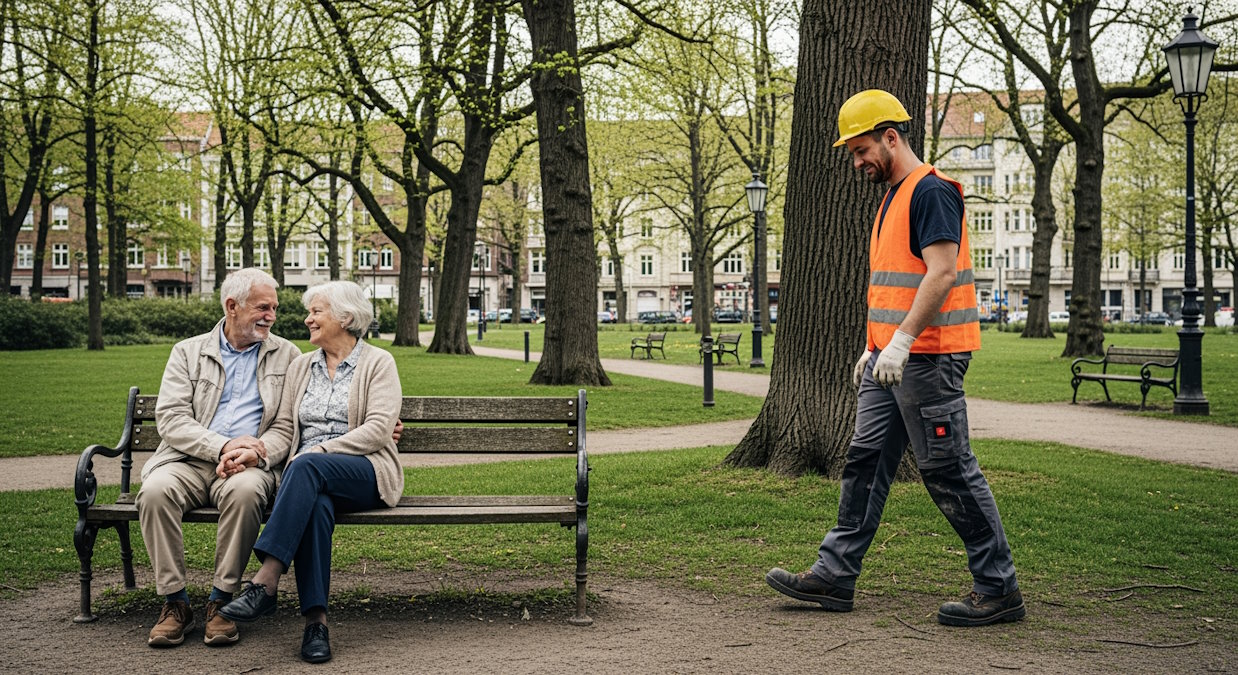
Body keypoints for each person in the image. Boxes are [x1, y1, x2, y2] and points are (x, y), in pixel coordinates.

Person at [765, 89, 1024, 627]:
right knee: (863, 461)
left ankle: (999, 588)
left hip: (928, 358)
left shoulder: (931, 192)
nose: (857, 163)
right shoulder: (893, 196)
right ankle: (835, 575)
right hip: (892, 357)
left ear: (890, 137)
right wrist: (875, 344)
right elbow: (892, 285)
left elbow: (941, 273)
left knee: (948, 470)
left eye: (861, 151)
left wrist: (902, 340)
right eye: (853, 155)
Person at [219, 280, 403, 663]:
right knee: (316, 505)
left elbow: (378, 429)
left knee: (307, 465)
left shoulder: (378, 362)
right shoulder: (301, 366)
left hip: (366, 472)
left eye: (316, 312)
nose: (307, 320)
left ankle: (266, 581)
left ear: (346, 317)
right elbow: (286, 429)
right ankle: (315, 624)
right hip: (309, 481)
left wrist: (319, 450)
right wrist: (258, 455)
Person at [138, 268, 301, 647]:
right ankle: (175, 603)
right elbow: (172, 419)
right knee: (154, 492)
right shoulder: (189, 352)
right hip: (188, 460)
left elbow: (288, 426)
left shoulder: (288, 355)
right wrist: (221, 447)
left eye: (274, 308)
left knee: (245, 494)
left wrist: (255, 452)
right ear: (232, 306)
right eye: (263, 307)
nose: (271, 316)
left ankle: (221, 602)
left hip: (250, 465)